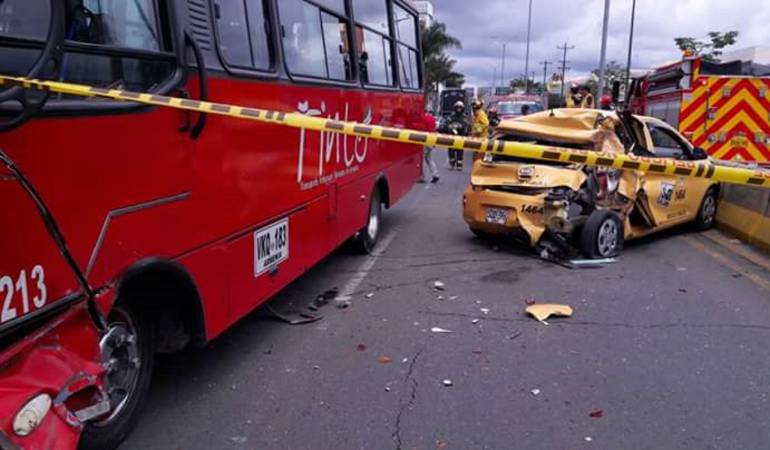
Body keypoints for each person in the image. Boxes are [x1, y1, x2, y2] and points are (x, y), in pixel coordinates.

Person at [438, 100, 470, 171]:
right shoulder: (451, 117)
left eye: (460, 108)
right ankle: (452, 164)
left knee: (460, 151)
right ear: (455, 108)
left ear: (462, 109)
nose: (459, 109)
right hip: (452, 137)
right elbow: (446, 125)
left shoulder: (464, 117)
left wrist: (464, 130)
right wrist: (449, 128)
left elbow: (467, 127)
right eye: (458, 107)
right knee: (451, 151)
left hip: (461, 137)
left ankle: (459, 165)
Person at [419, 109, 440, 183]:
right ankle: (435, 174)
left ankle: (422, 176)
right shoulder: (432, 118)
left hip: (424, 140)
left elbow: (420, 128)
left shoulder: (422, 118)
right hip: (431, 140)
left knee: (422, 159)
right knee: (428, 159)